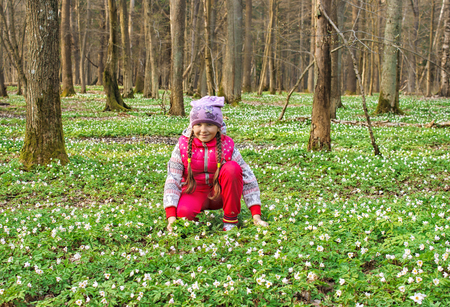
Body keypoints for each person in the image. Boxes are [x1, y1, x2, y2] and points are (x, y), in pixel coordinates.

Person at [163, 96, 268, 231]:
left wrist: (256, 215)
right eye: (198, 124)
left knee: (233, 168)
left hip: (220, 194)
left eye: (210, 124)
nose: (203, 130)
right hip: (194, 191)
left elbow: (248, 177)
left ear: (218, 127)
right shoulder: (182, 146)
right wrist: (171, 218)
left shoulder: (227, 145)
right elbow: (173, 179)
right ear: (192, 125)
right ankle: (195, 219)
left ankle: (230, 221)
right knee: (184, 215)